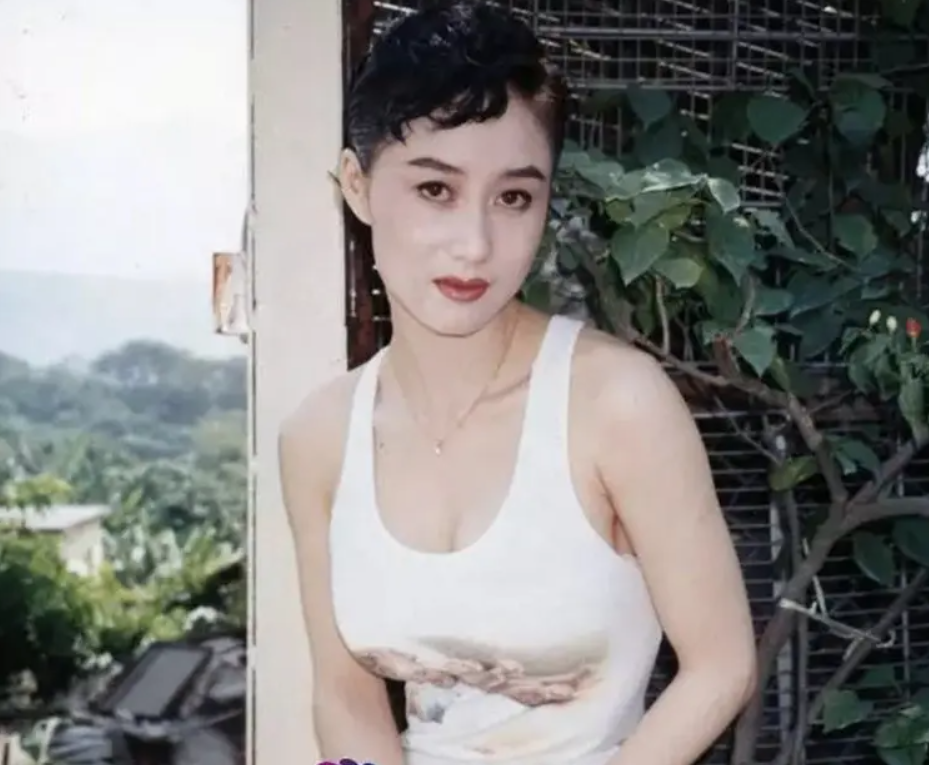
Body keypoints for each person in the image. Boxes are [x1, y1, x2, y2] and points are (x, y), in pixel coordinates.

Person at [279, 3, 757, 764]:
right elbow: (345, 695)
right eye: (435, 190)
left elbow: (720, 665)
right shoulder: (318, 436)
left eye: (513, 197)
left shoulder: (615, 404)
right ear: (358, 185)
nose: (474, 245)